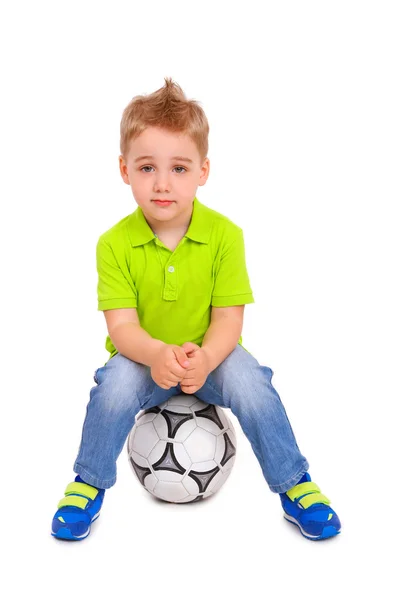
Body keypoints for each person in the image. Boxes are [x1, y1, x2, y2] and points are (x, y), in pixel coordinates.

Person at [51, 77, 341, 542]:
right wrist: (155, 356)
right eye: (147, 168)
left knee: (254, 383)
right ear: (124, 170)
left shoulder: (225, 235)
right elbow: (122, 326)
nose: (162, 183)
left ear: (204, 171)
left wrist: (206, 359)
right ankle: (88, 482)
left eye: (179, 169)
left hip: (213, 355)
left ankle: (295, 483)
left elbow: (229, 318)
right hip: (143, 360)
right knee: (111, 388)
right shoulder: (114, 244)